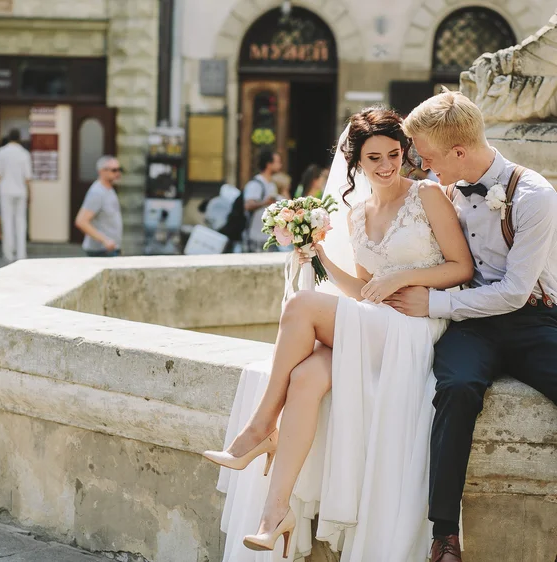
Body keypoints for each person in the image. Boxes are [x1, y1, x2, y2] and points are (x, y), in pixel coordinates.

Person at [203, 107, 474, 561]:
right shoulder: (357, 214)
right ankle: (275, 514)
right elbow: (363, 290)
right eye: (374, 159)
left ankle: (259, 428)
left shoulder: (427, 195)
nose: (387, 166)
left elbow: (461, 267)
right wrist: (320, 257)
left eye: (394, 154)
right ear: (357, 163)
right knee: (306, 378)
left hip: (414, 327)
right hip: (377, 322)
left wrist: (402, 280)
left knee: (300, 306)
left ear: (405, 151)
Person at [386, 90, 557, 561]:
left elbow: (515, 292)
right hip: (473, 324)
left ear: (459, 152)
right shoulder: (443, 192)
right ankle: (444, 535)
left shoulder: (534, 195)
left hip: (531, 318)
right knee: (457, 388)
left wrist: (433, 304)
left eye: (429, 156)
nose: (423, 165)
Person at [0, 129, 32, 262]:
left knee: (7, 221)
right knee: (21, 221)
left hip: (5, 190)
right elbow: (28, 177)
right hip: (21, 191)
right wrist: (30, 193)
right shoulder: (24, 154)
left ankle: (8, 253)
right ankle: (21, 253)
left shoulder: (1, 152)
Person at [75, 155, 123, 257]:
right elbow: (81, 221)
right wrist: (105, 240)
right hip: (101, 251)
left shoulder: (109, 189)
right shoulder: (97, 192)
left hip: (111, 249)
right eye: (114, 170)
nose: (118, 173)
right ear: (102, 171)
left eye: (119, 170)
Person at [244, 150, 282, 252]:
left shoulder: (272, 185)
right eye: (277, 162)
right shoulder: (256, 184)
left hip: (269, 237)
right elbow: (248, 205)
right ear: (269, 164)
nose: (280, 165)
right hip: (256, 238)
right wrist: (265, 202)